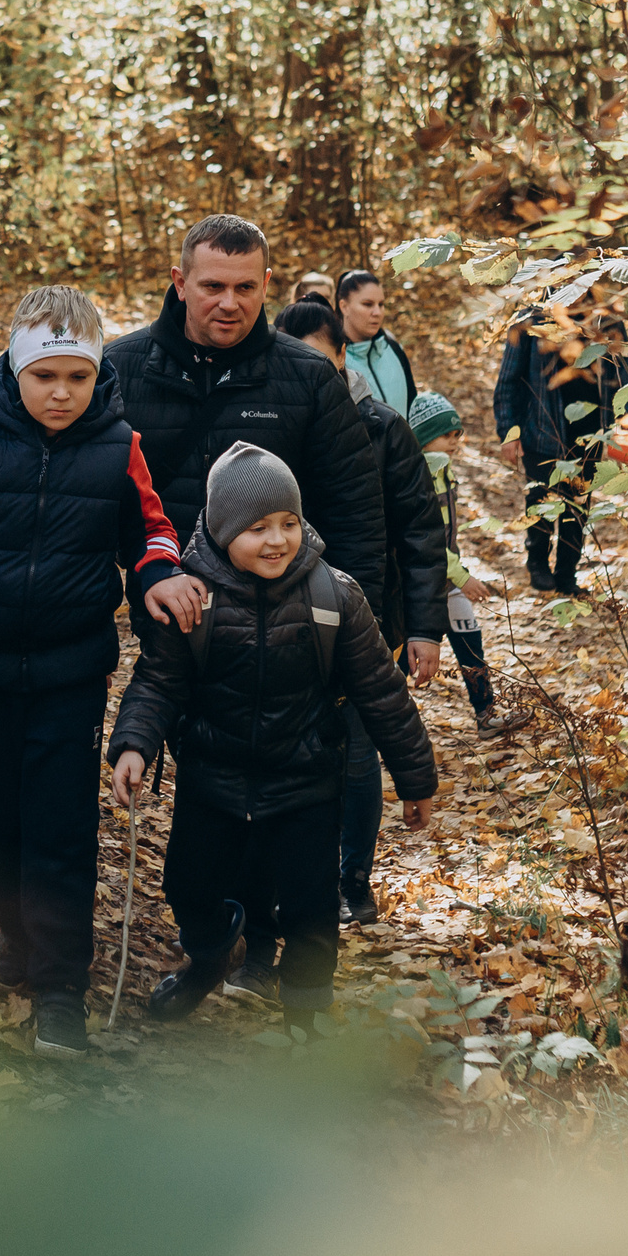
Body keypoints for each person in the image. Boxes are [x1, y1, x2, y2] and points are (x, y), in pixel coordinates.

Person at [0, 286, 206, 1057]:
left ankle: (61, 990)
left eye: (78, 377)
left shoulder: (117, 446)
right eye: (44, 376)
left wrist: (158, 572)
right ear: (16, 370)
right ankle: (19, 938)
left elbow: (151, 529)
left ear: (97, 377)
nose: (61, 393)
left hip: (69, 670)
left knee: (59, 827)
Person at [107, 445, 437, 1039]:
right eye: (256, 528)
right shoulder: (192, 598)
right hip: (213, 778)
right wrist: (134, 743)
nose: (276, 540)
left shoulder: (335, 597)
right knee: (188, 887)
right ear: (219, 529)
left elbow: (383, 696)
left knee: (312, 911)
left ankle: (306, 1014)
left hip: (305, 781)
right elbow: (159, 681)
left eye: (287, 523)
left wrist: (416, 781)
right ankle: (208, 957)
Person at [258, 296, 445, 941]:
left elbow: (421, 530)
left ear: (344, 356)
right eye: (297, 358)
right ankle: (287, 885)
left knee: (359, 754)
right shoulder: (271, 421)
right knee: (289, 752)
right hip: (278, 622)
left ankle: (352, 884)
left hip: (368, 616)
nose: (310, 370)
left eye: (323, 358)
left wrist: (423, 628)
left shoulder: (381, 426)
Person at [103, 214, 387, 613]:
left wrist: (356, 622)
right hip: (167, 616)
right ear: (181, 283)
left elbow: (355, 512)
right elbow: (86, 500)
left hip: (285, 621)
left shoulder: (310, 375)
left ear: (267, 284)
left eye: (246, 287)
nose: (230, 303)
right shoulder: (117, 370)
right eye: (213, 286)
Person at [406, 391, 532, 740]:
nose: (456, 443)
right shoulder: (419, 477)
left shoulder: (445, 473)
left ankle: (486, 714)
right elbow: (425, 538)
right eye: (448, 436)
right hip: (420, 583)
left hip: (448, 581)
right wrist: (463, 576)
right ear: (424, 437)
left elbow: (446, 536)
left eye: (458, 435)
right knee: (404, 655)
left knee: (469, 641)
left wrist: (457, 576)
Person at [490, 299, 628, 597]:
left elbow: (626, 377)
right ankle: (538, 565)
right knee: (541, 500)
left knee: (578, 506)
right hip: (541, 430)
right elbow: (509, 379)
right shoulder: (531, 318)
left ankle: (567, 574)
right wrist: (508, 431)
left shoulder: (607, 321)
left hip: (592, 433)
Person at [336, 269, 418, 421]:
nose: (377, 312)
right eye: (367, 304)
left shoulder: (393, 348)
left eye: (381, 305)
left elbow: (413, 407)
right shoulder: (334, 358)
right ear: (344, 306)